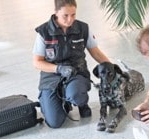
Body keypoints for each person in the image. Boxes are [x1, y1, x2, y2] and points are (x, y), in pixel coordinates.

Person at [32, 0, 111, 128]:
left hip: (76, 72)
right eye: (65, 15)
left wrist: (112, 68)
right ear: (56, 12)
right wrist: (58, 68)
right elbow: (37, 62)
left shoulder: (83, 28)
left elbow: (96, 53)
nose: (70, 20)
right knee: (54, 122)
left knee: (76, 94)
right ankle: (64, 101)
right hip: (51, 76)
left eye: (73, 15)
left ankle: (80, 102)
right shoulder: (43, 32)